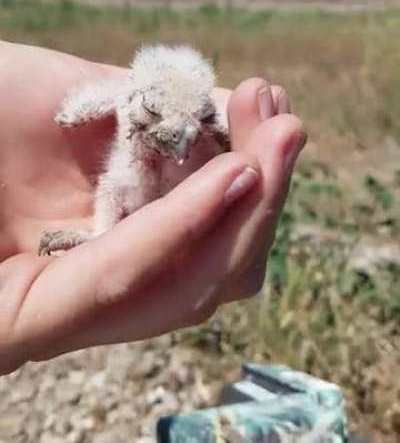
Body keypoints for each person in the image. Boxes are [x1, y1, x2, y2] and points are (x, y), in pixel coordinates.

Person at [0, 41, 306, 375]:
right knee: (115, 185)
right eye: (154, 114)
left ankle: (111, 234)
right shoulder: (127, 97)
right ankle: (101, 233)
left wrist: (224, 141)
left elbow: (220, 134)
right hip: (131, 193)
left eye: (196, 119)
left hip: (179, 196)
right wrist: (68, 116)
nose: (175, 133)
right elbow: (79, 110)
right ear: (137, 97)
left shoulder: (199, 118)